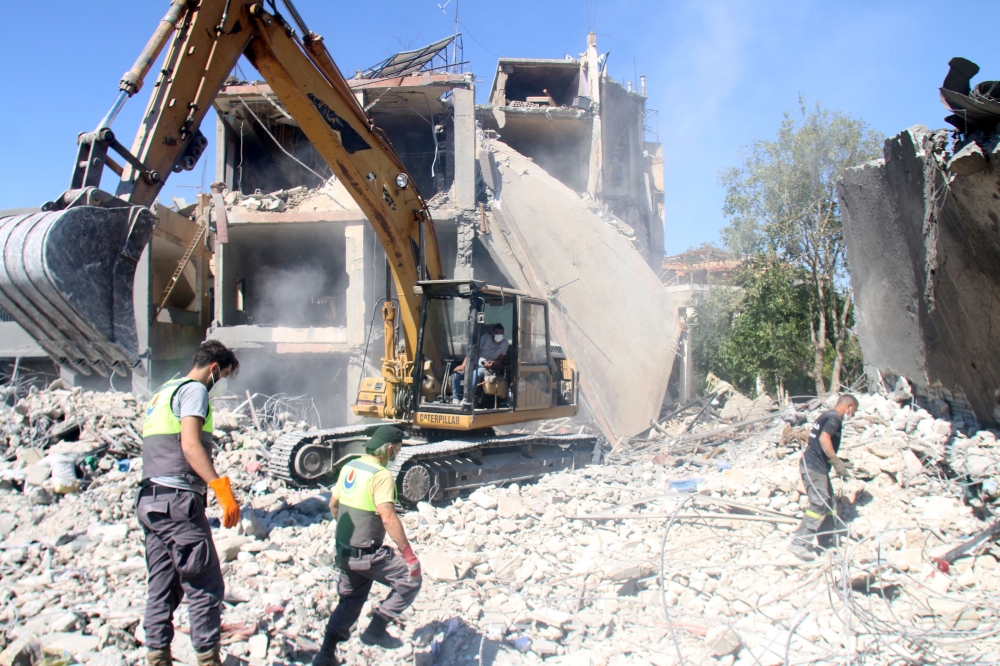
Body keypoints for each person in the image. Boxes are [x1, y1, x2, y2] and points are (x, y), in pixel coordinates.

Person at [138, 341, 241, 666]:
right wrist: (221, 489)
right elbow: (190, 445)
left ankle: (157, 657)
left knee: (163, 586)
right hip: (177, 503)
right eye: (221, 377)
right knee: (205, 584)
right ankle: (208, 660)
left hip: (151, 502)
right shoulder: (194, 391)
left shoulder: (161, 394)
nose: (218, 383)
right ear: (213, 368)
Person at [313, 426, 422, 666]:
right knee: (410, 579)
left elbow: (333, 505)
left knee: (350, 601)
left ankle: (325, 654)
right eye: (399, 449)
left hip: (344, 551)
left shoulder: (350, 466)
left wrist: (347, 537)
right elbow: (388, 517)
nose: (398, 453)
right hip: (368, 553)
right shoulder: (381, 475)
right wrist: (409, 556)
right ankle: (377, 628)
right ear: (390, 448)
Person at [788, 394, 859, 561]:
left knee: (829, 504)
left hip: (817, 466)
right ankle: (798, 543)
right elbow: (824, 438)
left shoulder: (825, 415)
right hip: (813, 467)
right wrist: (835, 461)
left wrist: (837, 460)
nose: (852, 415)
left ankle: (826, 541)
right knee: (819, 503)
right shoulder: (835, 418)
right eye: (853, 411)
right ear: (848, 406)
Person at [451, 324, 508, 404]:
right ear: (492, 333)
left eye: (501, 333)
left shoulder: (505, 344)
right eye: (496, 332)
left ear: (504, 334)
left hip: (486, 368)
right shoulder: (485, 338)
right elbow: (472, 352)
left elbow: (500, 360)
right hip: (473, 364)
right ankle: (455, 399)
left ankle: (467, 399)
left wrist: (493, 363)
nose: (499, 335)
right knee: (457, 374)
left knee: (475, 374)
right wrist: (463, 366)